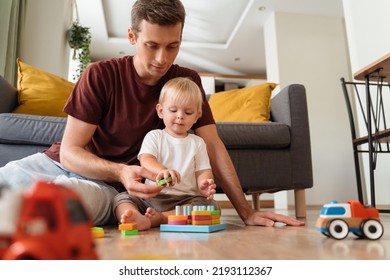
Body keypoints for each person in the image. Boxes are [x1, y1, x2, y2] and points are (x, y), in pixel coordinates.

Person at [0, 0, 304, 227]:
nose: (162, 59)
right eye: (152, 45)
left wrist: (246, 213)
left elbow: (213, 145)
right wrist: (120, 169)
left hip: (106, 189)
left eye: (173, 46)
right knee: (7, 183)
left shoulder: (187, 80)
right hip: (56, 165)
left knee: (49, 207)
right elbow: (69, 153)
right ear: (132, 38)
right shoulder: (99, 74)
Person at [114, 77, 217, 230]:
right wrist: (162, 170)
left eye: (188, 112)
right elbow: (146, 160)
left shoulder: (197, 142)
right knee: (121, 198)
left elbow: (203, 170)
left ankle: (159, 218)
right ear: (161, 111)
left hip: (185, 200)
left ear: (197, 116)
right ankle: (134, 216)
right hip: (152, 198)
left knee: (210, 206)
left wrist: (205, 184)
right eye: (173, 110)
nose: (180, 116)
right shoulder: (154, 136)